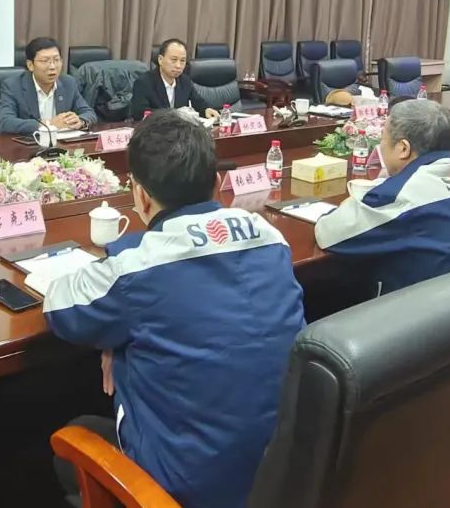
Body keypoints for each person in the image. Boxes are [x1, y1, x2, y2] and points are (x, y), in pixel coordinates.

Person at [45, 110, 306, 508]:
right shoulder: (270, 237)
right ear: (217, 183)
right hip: (283, 471)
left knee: (75, 436)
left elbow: (60, 308)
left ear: (140, 195)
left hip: (186, 489)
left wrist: (116, 336)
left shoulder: (138, 267)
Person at [315, 99, 450, 295]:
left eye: (383, 138)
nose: (381, 146)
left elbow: (328, 232)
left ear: (403, 148)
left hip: (434, 310)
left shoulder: (402, 194)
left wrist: (353, 200)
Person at [0, 37, 97, 135]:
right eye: (45, 61)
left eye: (56, 60)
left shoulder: (68, 83)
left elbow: (89, 113)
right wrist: (49, 124)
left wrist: (80, 121)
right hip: (29, 143)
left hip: (62, 143)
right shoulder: (13, 86)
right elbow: (4, 122)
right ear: (30, 65)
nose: (52, 67)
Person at [128, 38, 220, 120]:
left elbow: (198, 102)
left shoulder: (185, 81)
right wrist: (174, 114)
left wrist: (206, 110)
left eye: (182, 61)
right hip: (154, 130)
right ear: (160, 60)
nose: (178, 66)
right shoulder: (144, 82)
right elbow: (139, 114)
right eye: (174, 60)